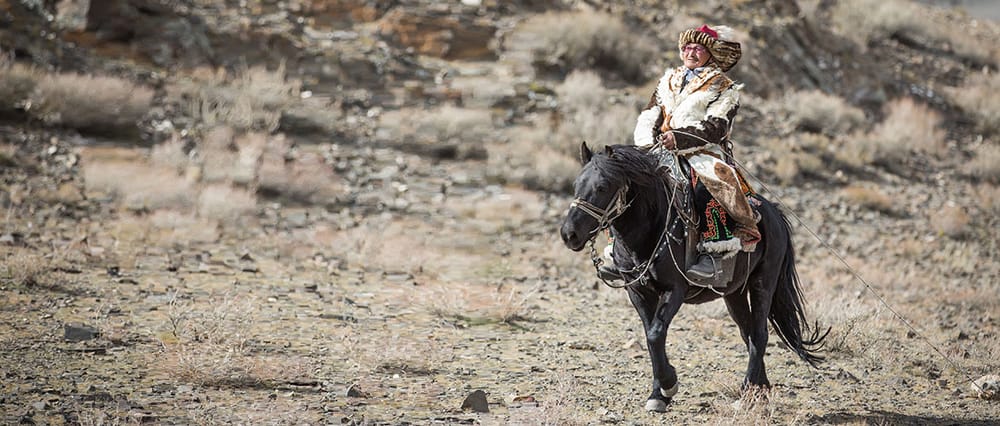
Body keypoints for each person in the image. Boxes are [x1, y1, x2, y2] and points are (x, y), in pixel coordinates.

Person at [600, 24, 759, 287]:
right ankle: (619, 252)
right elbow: (651, 113)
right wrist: (647, 143)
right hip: (657, 150)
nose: (691, 52)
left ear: (710, 53)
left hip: (701, 152)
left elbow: (717, 126)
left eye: (698, 48)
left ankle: (714, 253)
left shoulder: (724, 86)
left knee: (709, 185)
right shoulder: (668, 80)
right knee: (624, 183)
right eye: (687, 47)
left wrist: (679, 138)